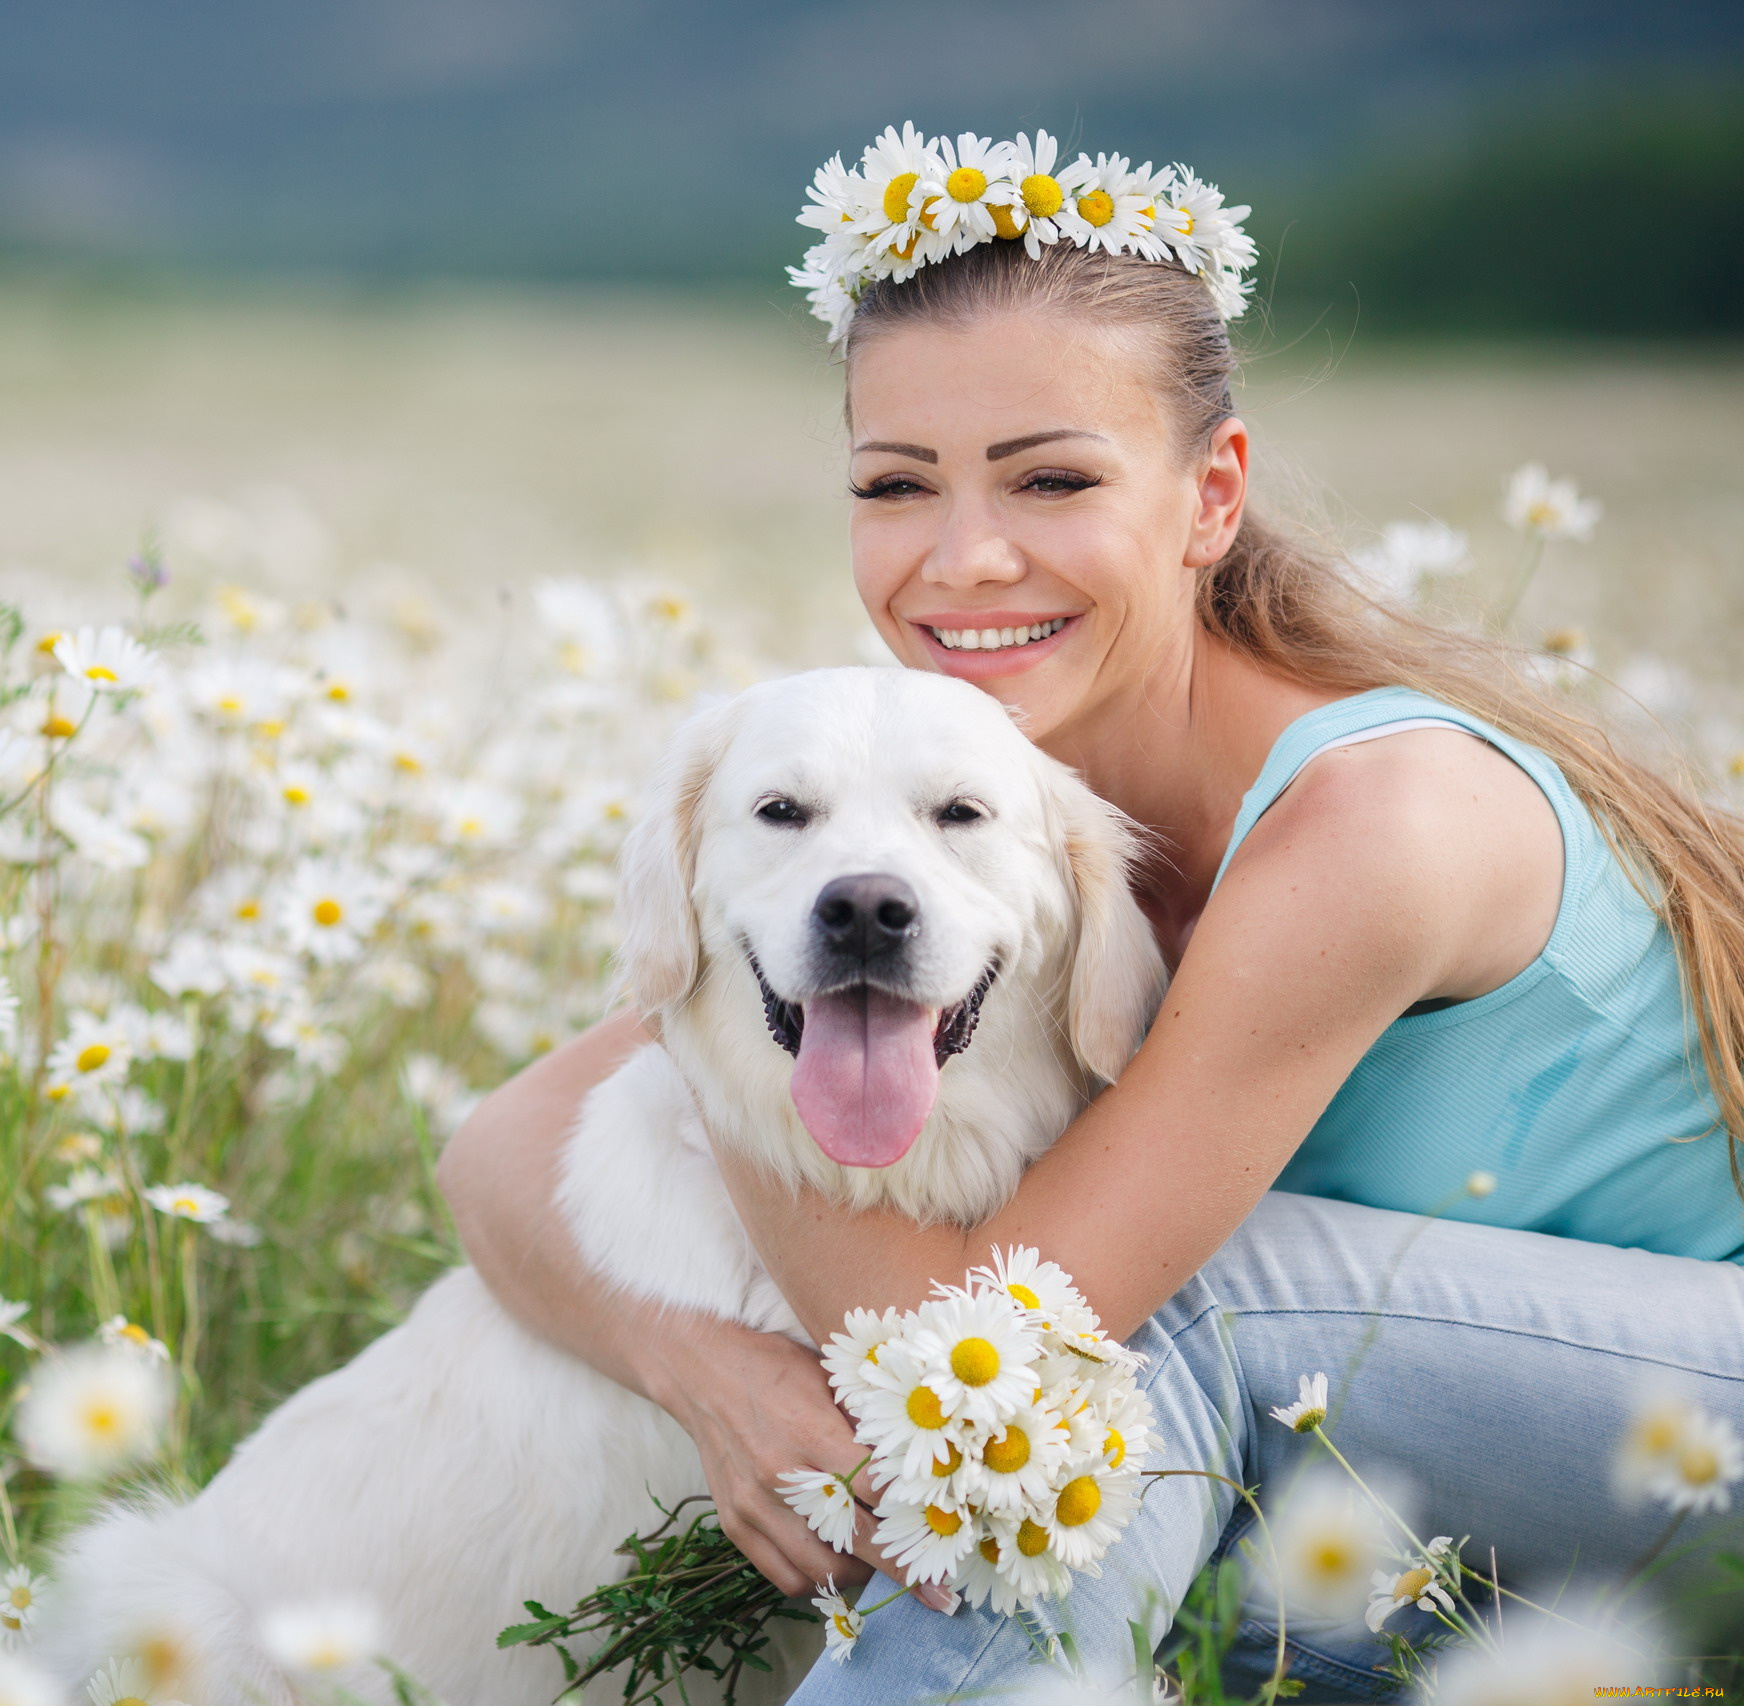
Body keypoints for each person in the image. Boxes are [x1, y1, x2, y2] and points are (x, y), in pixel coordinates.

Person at [437, 126, 1744, 1700]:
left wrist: (753, 1031)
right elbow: (500, 1147)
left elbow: (976, 1366)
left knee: (1147, 1345)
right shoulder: (964, 805)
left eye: (1053, 478)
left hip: (1688, 1424)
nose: (965, 556)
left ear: (1212, 494)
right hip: (1445, 1510)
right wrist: (704, 1367)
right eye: (894, 484)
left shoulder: (1376, 824)